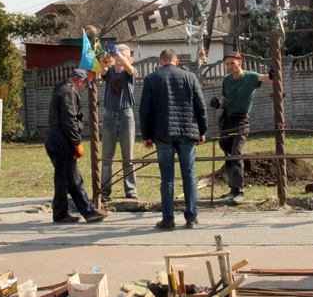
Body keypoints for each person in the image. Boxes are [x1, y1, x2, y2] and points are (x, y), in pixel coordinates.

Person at [140, 49, 207, 230]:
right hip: (187, 133)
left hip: (162, 134)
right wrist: (202, 130)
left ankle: (168, 219)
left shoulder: (151, 79)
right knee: (189, 174)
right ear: (176, 61)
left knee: (167, 177)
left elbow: (145, 110)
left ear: (161, 61)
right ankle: (191, 218)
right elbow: (200, 106)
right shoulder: (190, 77)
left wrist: (146, 136)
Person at [45, 68, 108, 224]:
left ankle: (62, 213)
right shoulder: (69, 91)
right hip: (63, 141)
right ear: (79, 81)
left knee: (66, 178)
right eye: (84, 85)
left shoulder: (61, 87)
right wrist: (76, 143)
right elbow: (70, 120)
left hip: (56, 139)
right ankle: (87, 212)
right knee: (71, 177)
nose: (83, 88)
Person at [213, 52, 272, 203]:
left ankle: (239, 192)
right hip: (226, 119)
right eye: (227, 64)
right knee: (228, 154)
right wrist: (218, 103)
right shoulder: (226, 80)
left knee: (236, 153)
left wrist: (273, 74)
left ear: (240, 62)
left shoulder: (250, 77)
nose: (230, 66)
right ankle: (232, 189)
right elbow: (224, 98)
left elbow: (267, 79)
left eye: (232, 63)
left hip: (241, 120)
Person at [100, 44, 139, 202]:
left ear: (129, 58)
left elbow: (129, 68)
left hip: (126, 115)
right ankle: (104, 192)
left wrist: (118, 55)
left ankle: (131, 190)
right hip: (109, 115)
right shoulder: (109, 72)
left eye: (124, 55)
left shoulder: (130, 72)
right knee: (107, 158)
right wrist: (102, 55)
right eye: (118, 54)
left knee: (128, 157)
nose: (119, 57)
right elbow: (102, 69)